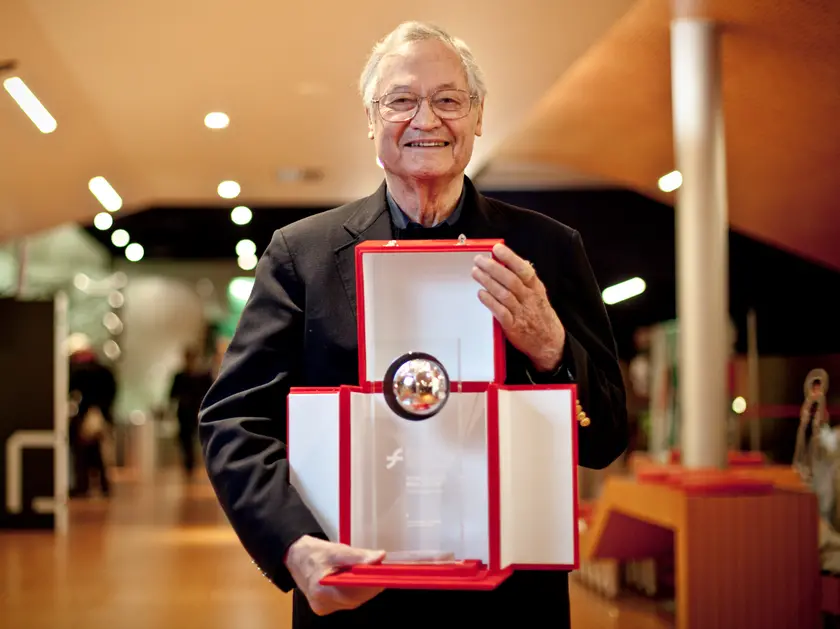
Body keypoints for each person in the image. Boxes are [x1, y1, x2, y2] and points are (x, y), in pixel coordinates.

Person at [198, 21, 628, 628]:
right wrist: (296, 546)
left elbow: (605, 439)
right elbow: (233, 420)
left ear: (478, 116)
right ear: (371, 119)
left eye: (449, 99)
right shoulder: (302, 255)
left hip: (511, 606)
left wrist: (552, 350)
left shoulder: (548, 250)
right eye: (401, 100)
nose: (426, 119)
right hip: (354, 598)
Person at [168, 347, 213, 476]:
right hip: (185, 413)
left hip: (196, 413)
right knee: (186, 441)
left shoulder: (202, 377)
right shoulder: (180, 376)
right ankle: (189, 465)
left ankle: (194, 464)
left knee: (196, 439)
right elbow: (172, 394)